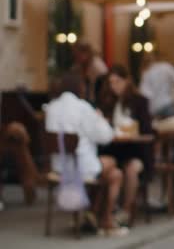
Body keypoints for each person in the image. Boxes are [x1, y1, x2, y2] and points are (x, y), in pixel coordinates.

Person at [45, 73, 127, 236]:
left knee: (109, 172)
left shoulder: (51, 108)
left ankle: (91, 214)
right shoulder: (83, 108)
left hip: (58, 167)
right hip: (80, 168)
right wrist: (100, 118)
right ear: (80, 88)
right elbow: (105, 136)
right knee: (115, 171)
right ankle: (106, 221)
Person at [98, 65, 154, 225]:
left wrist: (134, 131)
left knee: (131, 168)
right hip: (114, 149)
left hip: (136, 151)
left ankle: (126, 210)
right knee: (105, 165)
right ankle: (101, 211)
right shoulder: (107, 101)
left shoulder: (140, 102)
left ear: (127, 81)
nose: (114, 86)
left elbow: (147, 131)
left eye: (117, 82)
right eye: (111, 82)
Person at [139, 54, 174, 118]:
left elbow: (145, 94)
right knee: (173, 126)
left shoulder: (146, 74)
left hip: (155, 108)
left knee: (160, 127)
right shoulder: (166, 67)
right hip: (168, 103)